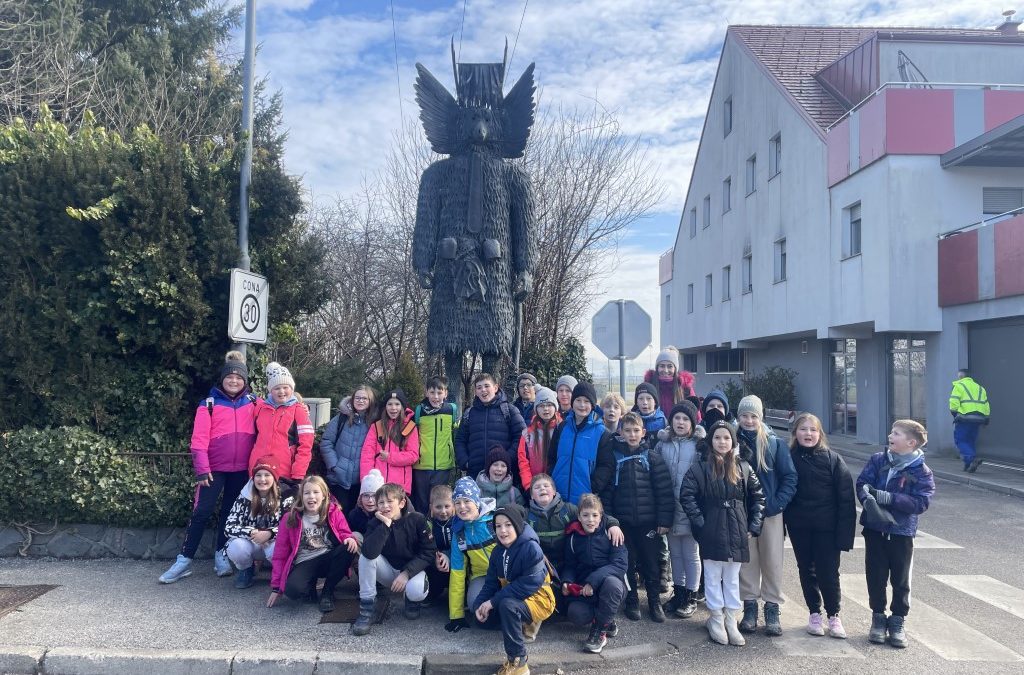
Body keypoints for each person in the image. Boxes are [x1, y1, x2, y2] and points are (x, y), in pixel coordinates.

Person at [160, 351, 256, 584]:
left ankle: (220, 555)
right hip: (213, 469)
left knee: (229, 514)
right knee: (201, 512)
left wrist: (300, 404)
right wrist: (202, 469)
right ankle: (184, 560)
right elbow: (198, 440)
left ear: (245, 381)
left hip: (242, 470)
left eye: (239, 378)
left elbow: (278, 405)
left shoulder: (254, 403)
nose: (234, 381)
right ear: (222, 379)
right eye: (229, 377)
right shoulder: (209, 404)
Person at [680, 421, 765, 646]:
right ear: (710, 441)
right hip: (712, 529)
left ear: (733, 441)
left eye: (727, 438)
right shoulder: (700, 467)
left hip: (737, 529)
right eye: (717, 437)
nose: (722, 442)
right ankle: (715, 619)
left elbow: (758, 497)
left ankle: (731, 620)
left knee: (732, 578)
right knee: (712, 576)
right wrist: (700, 522)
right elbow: (686, 495)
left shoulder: (743, 467)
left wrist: (753, 525)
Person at [856, 419, 935, 649]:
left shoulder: (922, 471)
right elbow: (862, 482)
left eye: (897, 433)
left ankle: (898, 620)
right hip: (875, 529)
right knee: (875, 575)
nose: (891, 435)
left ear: (911, 443)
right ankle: (878, 618)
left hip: (901, 533)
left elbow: (921, 502)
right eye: (892, 431)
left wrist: (890, 499)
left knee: (900, 579)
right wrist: (867, 498)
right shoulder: (878, 460)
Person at [784, 413, 856, 638]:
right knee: (806, 570)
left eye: (813, 430)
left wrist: (845, 535)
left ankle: (834, 615)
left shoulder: (833, 459)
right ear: (796, 433)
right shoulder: (788, 458)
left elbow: (846, 499)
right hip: (800, 527)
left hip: (827, 528)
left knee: (829, 572)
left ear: (820, 434)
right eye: (803, 429)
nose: (808, 434)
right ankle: (814, 613)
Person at [600, 412, 673, 623]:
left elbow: (664, 491)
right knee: (627, 564)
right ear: (621, 432)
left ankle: (654, 601)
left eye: (636, 431)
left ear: (643, 432)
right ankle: (631, 600)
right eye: (627, 430)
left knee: (651, 563)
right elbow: (607, 494)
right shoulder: (615, 458)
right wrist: (611, 521)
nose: (632, 435)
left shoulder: (652, 458)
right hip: (623, 525)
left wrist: (664, 520)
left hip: (648, 523)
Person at [735, 395, 798, 636]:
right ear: (738, 417)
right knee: (747, 562)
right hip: (743, 512)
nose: (749, 420)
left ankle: (772, 608)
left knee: (772, 560)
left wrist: (777, 504)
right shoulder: (732, 441)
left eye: (753, 416)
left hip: (770, 512)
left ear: (760, 417)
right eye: (744, 415)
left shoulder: (774, 443)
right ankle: (749, 608)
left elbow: (789, 477)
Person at [472, 504, 556, 675]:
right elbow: (490, 583)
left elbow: (528, 585)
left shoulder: (531, 548)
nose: (503, 530)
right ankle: (521, 627)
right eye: (498, 526)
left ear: (517, 525)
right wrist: (479, 605)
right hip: (515, 597)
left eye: (508, 525)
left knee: (507, 606)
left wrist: (493, 602)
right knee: (483, 618)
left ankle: (519, 662)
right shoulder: (497, 552)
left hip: (540, 599)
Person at [351, 482, 437, 635]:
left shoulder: (417, 519)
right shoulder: (375, 523)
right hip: (388, 572)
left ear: (402, 502)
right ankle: (367, 608)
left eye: (390, 501)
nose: (385, 506)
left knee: (416, 591)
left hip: (411, 572)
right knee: (366, 558)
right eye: (381, 503)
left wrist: (407, 573)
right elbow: (369, 553)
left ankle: (411, 601)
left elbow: (429, 552)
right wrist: (385, 526)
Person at [268, 476, 359, 612]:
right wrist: (276, 586)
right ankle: (309, 586)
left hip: (327, 556)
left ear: (324, 495)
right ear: (301, 497)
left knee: (349, 547)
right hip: (305, 560)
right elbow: (280, 553)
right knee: (292, 591)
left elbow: (344, 531)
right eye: (307, 493)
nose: (311, 497)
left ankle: (327, 592)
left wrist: (349, 537)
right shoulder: (290, 518)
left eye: (316, 492)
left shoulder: (333, 511)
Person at [654, 400, 704, 619]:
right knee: (675, 553)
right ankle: (680, 592)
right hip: (669, 506)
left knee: (691, 553)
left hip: (691, 506)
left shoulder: (699, 446)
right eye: (677, 418)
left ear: (692, 423)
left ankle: (691, 595)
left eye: (685, 419)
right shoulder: (662, 444)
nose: (681, 422)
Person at [562, 493, 628, 654]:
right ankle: (607, 618)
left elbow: (620, 564)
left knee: (612, 585)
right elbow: (570, 565)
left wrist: (593, 581)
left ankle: (600, 631)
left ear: (601, 516)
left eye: (594, 515)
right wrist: (567, 580)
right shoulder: (573, 538)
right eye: (585, 515)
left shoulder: (611, 533)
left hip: (611, 586)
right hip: (585, 590)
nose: (590, 520)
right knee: (575, 614)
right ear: (579, 516)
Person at [223, 456, 293, 589]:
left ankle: (279, 571)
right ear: (253, 477)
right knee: (236, 548)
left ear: (274, 477)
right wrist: (252, 532)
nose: (262, 479)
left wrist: (270, 533)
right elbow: (229, 527)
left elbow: (291, 525)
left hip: (272, 542)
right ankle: (246, 570)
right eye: (258, 475)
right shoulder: (244, 496)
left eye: (267, 475)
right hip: (251, 541)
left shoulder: (286, 495)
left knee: (278, 549)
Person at [248, 362, 314, 500]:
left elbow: (306, 446)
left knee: (281, 515)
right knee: (257, 511)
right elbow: (253, 438)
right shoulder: (260, 409)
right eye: (277, 388)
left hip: (284, 473)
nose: (282, 391)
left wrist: (298, 475)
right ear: (270, 390)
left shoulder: (299, 411)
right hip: (259, 470)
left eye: (286, 387)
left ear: (292, 388)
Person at [547, 382, 616, 505]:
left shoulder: (602, 433)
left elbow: (606, 466)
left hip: (585, 500)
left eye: (586, 401)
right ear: (572, 402)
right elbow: (551, 458)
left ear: (592, 405)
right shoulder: (562, 428)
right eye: (578, 400)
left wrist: (592, 486)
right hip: (558, 497)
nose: (582, 405)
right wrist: (553, 478)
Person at [445, 477, 498, 633]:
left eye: (466, 501)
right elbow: (457, 572)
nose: (462, 507)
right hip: (482, 576)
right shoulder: (459, 533)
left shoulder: (494, 520)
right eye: (457, 503)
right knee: (474, 603)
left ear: (476, 501)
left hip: (506, 573)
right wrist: (456, 615)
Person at [455, 373, 527, 483]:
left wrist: (507, 459)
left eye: (486, 386)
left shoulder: (510, 410)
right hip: (476, 474)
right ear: (475, 391)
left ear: (495, 387)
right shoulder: (469, 413)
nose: (483, 390)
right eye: (479, 387)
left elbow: (521, 437)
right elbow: (460, 440)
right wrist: (465, 462)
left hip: (503, 474)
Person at [320, 384, 377, 513]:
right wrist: (334, 466)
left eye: (364, 398)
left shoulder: (374, 422)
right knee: (339, 515)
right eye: (357, 398)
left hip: (362, 481)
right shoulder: (341, 418)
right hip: (338, 479)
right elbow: (326, 442)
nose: (360, 401)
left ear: (370, 401)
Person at [412, 377, 459, 513]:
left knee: (439, 501)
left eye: (439, 392)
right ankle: (422, 529)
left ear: (446, 393)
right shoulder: (419, 410)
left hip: (443, 464)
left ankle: (437, 529)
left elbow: (455, 432)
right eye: (432, 392)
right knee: (422, 500)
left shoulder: (451, 409)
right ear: (426, 393)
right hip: (421, 464)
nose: (436, 396)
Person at [360, 389, 419, 494]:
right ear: (385, 407)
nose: (393, 408)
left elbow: (413, 455)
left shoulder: (410, 427)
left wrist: (390, 457)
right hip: (378, 485)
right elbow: (367, 456)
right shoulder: (377, 427)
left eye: (397, 404)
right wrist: (366, 481)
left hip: (400, 487)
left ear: (402, 407)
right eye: (390, 404)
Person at [517, 386, 560, 490]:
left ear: (555, 407)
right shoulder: (528, 433)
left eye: (549, 405)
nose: (545, 409)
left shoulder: (562, 429)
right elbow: (523, 461)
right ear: (536, 409)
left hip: (558, 486)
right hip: (534, 487)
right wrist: (528, 485)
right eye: (541, 406)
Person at [949, 368, 990, 473]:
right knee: (970, 441)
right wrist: (986, 418)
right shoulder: (980, 388)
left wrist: (955, 415)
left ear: (960, 376)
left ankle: (972, 459)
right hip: (978, 419)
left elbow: (953, 403)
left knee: (961, 440)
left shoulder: (958, 386)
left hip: (964, 418)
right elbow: (986, 405)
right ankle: (968, 465)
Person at [643, 347, 698, 418]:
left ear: (675, 369)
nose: (666, 370)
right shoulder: (649, 386)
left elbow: (696, 415)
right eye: (662, 366)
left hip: (679, 428)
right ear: (657, 368)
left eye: (670, 366)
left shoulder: (685, 388)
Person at [426, 484, 456, 605]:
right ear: (431, 507)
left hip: (455, 560)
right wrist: (436, 558)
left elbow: (461, 546)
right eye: (438, 507)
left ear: (453, 505)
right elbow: (425, 547)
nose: (443, 511)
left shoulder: (458, 523)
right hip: (436, 562)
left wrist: (447, 556)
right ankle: (432, 592)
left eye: (447, 506)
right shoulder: (427, 524)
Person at [347, 469, 385, 538]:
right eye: (366, 495)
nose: (370, 500)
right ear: (360, 498)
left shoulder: (387, 514)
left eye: (374, 496)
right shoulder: (354, 515)